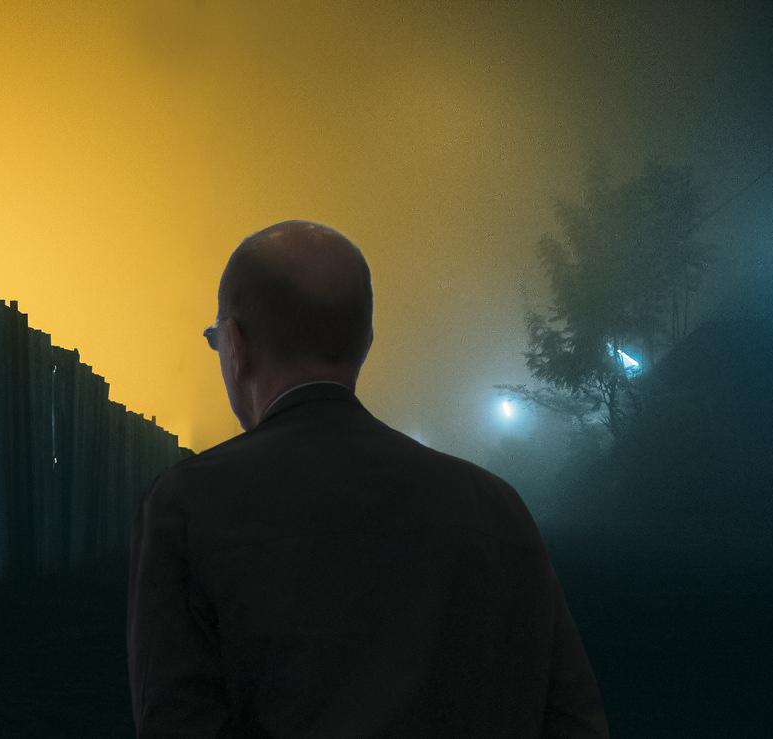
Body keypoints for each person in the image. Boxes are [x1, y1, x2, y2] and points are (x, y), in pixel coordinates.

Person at [126, 220, 608, 737]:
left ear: (236, 346)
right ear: (366, 342)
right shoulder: (497, 507)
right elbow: (572, 720)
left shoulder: (187, 506)